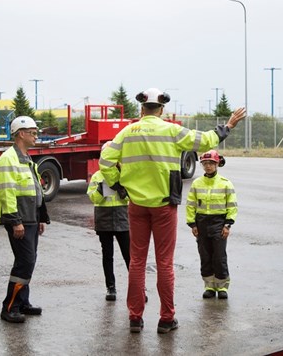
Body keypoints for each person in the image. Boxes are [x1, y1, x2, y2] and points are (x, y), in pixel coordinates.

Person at [99, 87, 246, 334]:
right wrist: (228, 125)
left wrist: (118, 185)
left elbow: (105, 160)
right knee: (164, 263)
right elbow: (206, 140)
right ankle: (166, 319)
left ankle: (135, 317)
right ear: (162, 109)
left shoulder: (126, 132)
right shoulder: (172, 130)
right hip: (164, 207)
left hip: (137, 206)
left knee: (137, 262)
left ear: (141, 109)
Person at [0, 115, 50, 323]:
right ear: (21, 134)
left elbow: (36, 191)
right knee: (24, 263)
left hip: (31, 219)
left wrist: (41, 217)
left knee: (29, 261)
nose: (36, 137)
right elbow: (7, 193)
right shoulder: (9, 158)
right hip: (20, 220)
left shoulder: (26, 158)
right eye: (33, 133)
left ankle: (23, 303)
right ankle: (9, 306)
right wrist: (15, 221)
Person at [185, 150, 237, 299]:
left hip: (219, 223)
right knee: (205, 255)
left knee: (219, 256)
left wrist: (227, 225)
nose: (208, 166)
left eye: (211, 163)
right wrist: (192, 224)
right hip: (201, 223)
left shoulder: (225, 183)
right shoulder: (197, 183)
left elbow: (232, 206)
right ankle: (209, 286)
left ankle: (222, 287)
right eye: (205, 164)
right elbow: (190, 205)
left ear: (217, 164)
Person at [87, 142, 131, 302]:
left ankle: (137, 288)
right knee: (108, 255)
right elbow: (92, 197)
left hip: (122, 216)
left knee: (129, 255)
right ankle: (110, 288)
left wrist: (123, 192)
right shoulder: (97, 176)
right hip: (103, 217)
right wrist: (99, 191)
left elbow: (132, 197)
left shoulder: (124, 174)